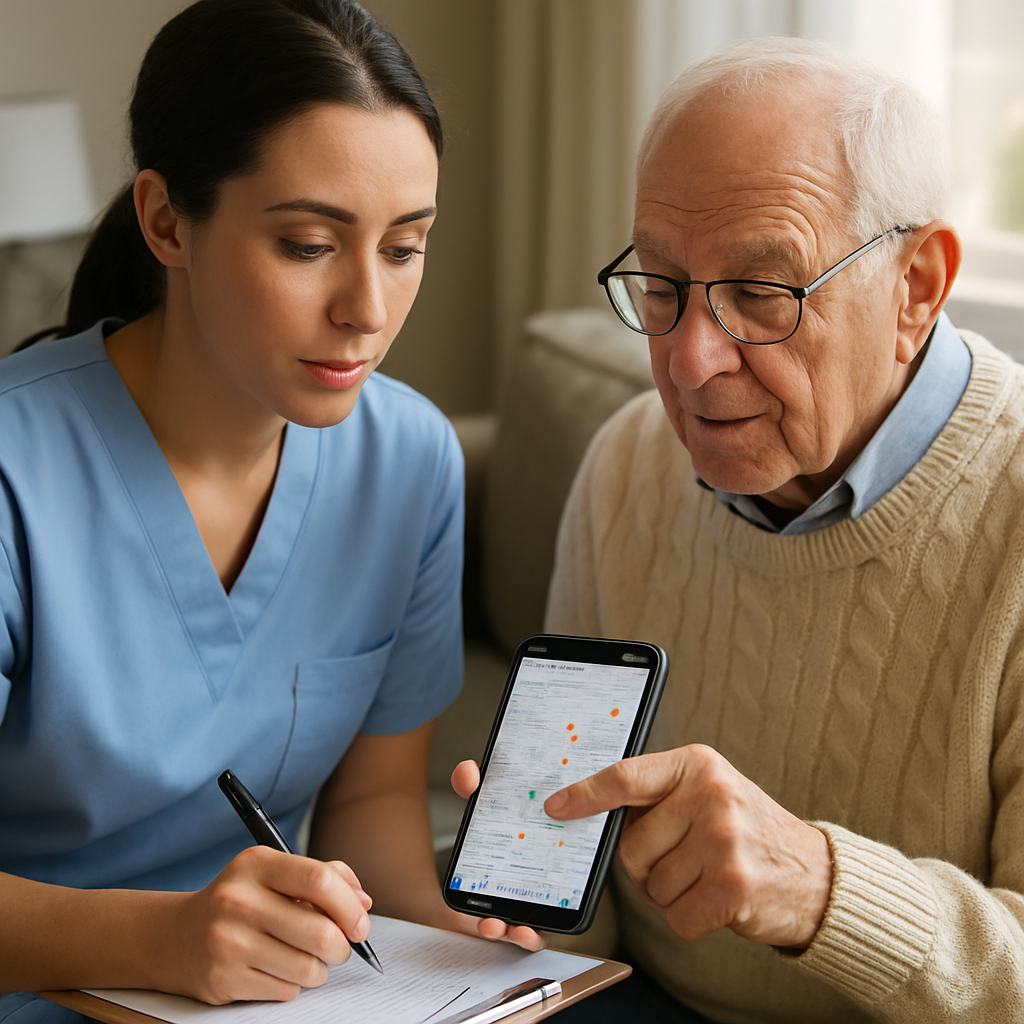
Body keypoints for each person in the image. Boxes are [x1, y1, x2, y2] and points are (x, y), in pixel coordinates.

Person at [449, 37, 1024, 1023]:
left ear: (918, 287)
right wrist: (523, 892)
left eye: (761, 294)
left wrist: (814, 885)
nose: (688, 362)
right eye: (662, 289)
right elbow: (579, 924)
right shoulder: (629, 460)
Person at [0, 3, 537, 1022]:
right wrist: (161, 939)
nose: (366, 309)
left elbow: (374, 802)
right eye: (306, 243)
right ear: (166, 221)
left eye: (404, 246)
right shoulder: (14, 474)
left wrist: (446, 951)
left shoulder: (412, 461)